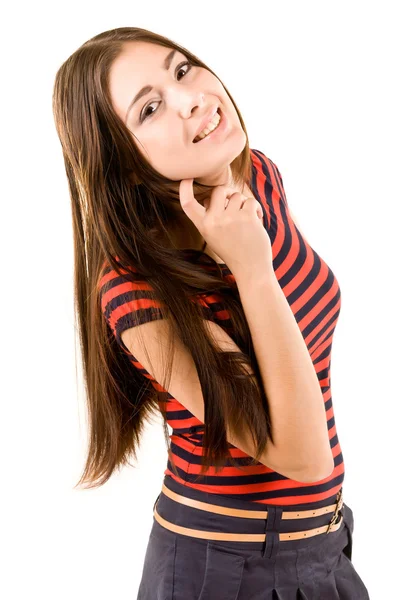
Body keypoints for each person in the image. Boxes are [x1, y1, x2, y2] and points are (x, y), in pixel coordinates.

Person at [52, 26, 370, 599]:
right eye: (150, 109)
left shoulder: (259, 180)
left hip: (325, 550)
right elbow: (302, 454)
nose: (191, 98)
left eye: (182, 71)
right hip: (222, 570)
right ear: (123, 164)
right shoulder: (135, 288)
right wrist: (252, 269)